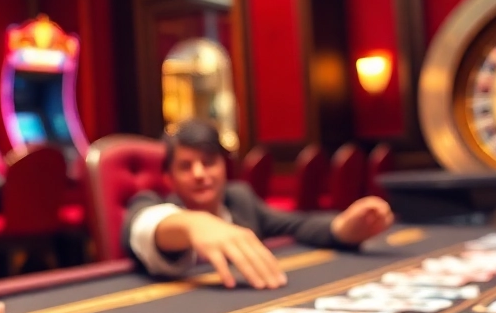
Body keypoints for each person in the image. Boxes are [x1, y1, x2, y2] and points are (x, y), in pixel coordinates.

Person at [122, 119, 394, 289]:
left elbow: (297, 223)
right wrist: (195, 223)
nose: (199, 174)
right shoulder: (153, 203)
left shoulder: (239, 199)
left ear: (224, 167)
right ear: (169, 178)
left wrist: (343, 228)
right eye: (185, 166)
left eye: (208, 163)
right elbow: (141, 224)